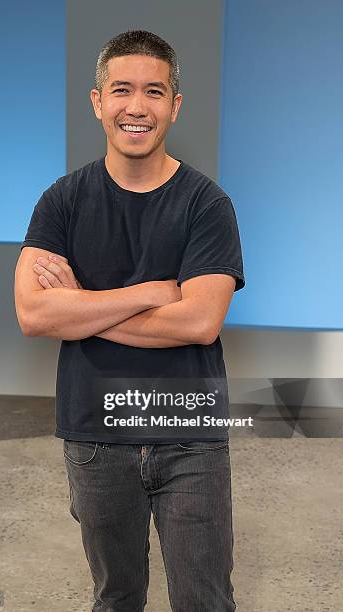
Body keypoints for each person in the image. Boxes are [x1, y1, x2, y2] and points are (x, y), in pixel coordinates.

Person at [14, 29, 245, 612]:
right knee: (116, 598)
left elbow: (200, 322)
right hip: (95, 436)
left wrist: (83, 309)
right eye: (121, 90)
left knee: (205, 601)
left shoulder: (207, 204)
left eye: (154, 91)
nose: (136, 107)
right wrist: (145, 293)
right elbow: (34, 312)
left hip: (189, 436)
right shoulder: (61, 202)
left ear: (175, 105)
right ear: (97, 102)